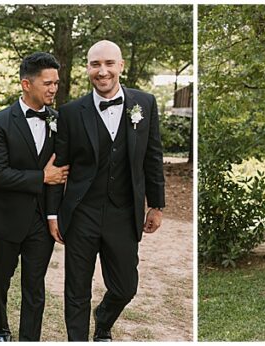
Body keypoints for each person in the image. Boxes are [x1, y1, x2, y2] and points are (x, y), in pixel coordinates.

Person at [46, 40, 165, 341]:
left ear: (121, 66)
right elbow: (58, 168)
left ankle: (104, 319)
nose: (102, 71)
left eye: (109, 64)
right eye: (95, 64)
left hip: (124, 212)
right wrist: (52, 213)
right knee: (76, 290)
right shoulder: (70, 112)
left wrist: (157, 205)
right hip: (81, 212)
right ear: (87, 68)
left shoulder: (145, 104)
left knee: (126, 286)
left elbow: (152, 156)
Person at [0, 52, 69, 342]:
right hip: (5, 218)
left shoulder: (59, 120)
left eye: (56, 83)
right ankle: (1, 325)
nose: (53, 89)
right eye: (47, 83)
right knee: (0, 277)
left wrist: (54, 215)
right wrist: (41, 177)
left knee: (35, 284)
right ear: (26, 84)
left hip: (42, 220)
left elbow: (61, 172)